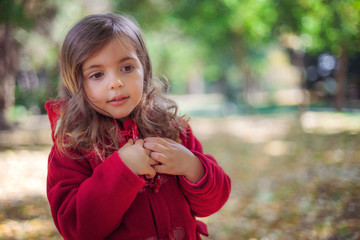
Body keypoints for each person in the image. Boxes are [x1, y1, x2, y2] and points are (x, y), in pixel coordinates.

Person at [45, 13, 231, 240]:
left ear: (144, 69)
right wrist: (122, 169)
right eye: (97, 74)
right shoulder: (72, 147)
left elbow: (213, 203)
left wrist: (192, 167)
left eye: (126, 68)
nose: (116, 82)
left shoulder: (172, 129)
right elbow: (77, 229)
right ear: (77, 83)